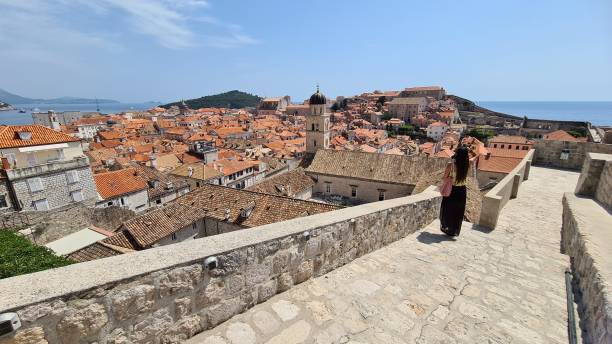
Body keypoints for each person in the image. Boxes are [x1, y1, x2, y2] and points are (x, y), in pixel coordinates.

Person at [440, 146, 469, 236]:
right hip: (462, 191)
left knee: (448, 209)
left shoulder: (451, 165)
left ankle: (447, 227)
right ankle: (454, 230)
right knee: (457, 211)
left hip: (452, 190)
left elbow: (444, 178)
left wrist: (450, 177)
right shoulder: (467, 165)